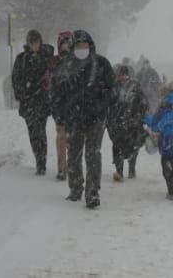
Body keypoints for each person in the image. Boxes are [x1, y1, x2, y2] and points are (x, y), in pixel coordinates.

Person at [54, 30, 114, 208]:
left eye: (85, 45)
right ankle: (75, 189)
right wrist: (61, 112)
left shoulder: (101, 64)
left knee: (93, 154)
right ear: (73, 47)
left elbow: (111, 90)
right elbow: (57, 91)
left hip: (96, 118)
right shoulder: (66, 65)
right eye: (78, 46)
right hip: (74, 118)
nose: (82, 49)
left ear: (91, 46)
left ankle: (93, 192)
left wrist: (101, 106)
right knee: (73, 154)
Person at [12, 29, 51, 175]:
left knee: (41, 132)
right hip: (28, 103)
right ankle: (38, 158)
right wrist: (22, 94)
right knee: (33, 134)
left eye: (37, 42)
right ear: (28, 43)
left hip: (41, 102)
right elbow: (16, 78)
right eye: (32, 42)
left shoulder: (45, 57)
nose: (35, 45)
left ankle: (42, 163)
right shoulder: (21, 58)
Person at [107, 64, 149, 182]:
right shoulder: (114, 86)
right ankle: (119, 171)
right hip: (117, 122)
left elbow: (143, 102)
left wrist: (139, 116)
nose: (122, 77)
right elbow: (109, 102)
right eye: (120, 75)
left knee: (133, 146)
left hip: (132, 122)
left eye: (123, 75)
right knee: (117, 146)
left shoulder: (135, 86)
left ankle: (131, 169)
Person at [49, 31, 73, 181]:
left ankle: (72, 166)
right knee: (61, 140)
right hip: (60, 108)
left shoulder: (77, 61)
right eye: (62, 43)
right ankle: (61, 168)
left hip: (74, 108)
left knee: (73, 141)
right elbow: (51, 85)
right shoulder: (55, 63)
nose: (65, 46)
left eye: (67, 43)